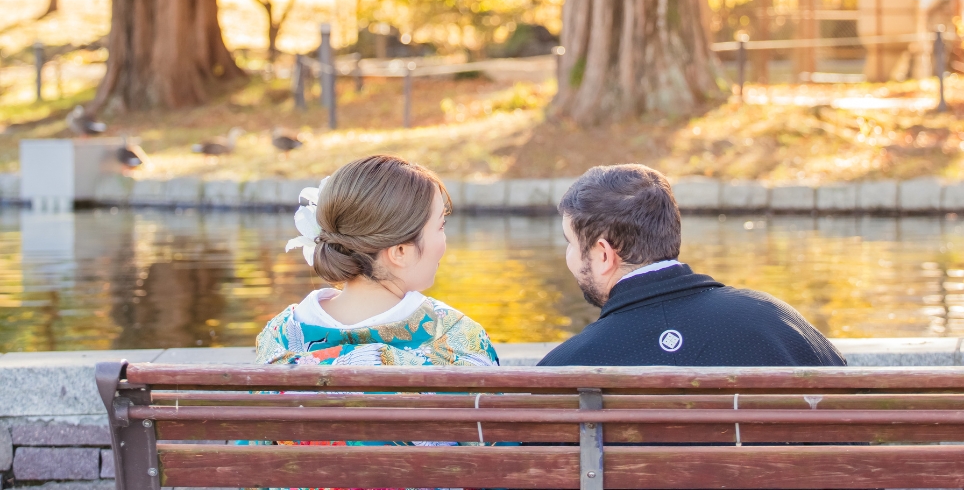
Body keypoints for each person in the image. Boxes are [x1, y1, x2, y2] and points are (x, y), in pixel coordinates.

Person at [538, 164, 846, 367]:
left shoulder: (567, 367)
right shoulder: (780, 323)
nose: (569, 255)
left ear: (604, 254)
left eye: (570, 242)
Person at [257, 154, 498, 367]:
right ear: (400, 251)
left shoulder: (279, 338)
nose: (444, 239)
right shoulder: (457, 339)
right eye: (440, 226)